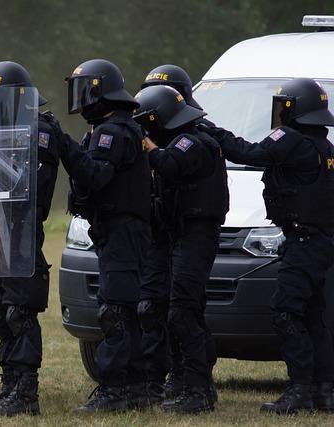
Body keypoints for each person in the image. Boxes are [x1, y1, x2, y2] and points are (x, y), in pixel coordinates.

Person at [201, 77, 334, 414]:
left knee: (287, 313)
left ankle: (300, 389)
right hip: (319, 241)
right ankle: (323, 390)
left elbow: (248, 153)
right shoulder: (325, 146)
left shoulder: (290, 139)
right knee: (314, 316)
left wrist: (210, 130)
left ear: (296, 109)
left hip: (303, 242)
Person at [59, 59, 152, 413]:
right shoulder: (120, 128)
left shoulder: (113, 131)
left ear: (103, 93)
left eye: (86, 92)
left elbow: (96, 175)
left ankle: (114, 391)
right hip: (122, 231)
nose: (81, 102)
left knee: (115, 310)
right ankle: (137, 388)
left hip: (123, 232)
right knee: (126, 310)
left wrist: (64, 144)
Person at [0, 61, 60, 417]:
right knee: (0, 313)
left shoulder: (39, 130)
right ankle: (9, 385)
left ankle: (25, 394)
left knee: (19, 313)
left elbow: (32, 186)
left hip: (21, 234)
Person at [133, 84, 229, 414]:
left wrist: (144, 143)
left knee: (183, 312)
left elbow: (169, 164)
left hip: (196, 235)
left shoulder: (192, 141)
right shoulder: (185, 138)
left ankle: (199, 391)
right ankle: (192, 383)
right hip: (182, 235)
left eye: (147, 122)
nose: (146, 128)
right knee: (184, 310)